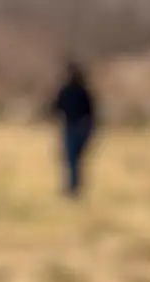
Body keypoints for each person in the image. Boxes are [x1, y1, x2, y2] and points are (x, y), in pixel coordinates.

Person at [51, 60, 96, 198]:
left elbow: (55, 108)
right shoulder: (83, 92)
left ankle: (72, 189)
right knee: (75, 160)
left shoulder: (66, 91)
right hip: (80, 127)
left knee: (72, 160)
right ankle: (74, 188)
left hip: (72, 127)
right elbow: (91, 112)